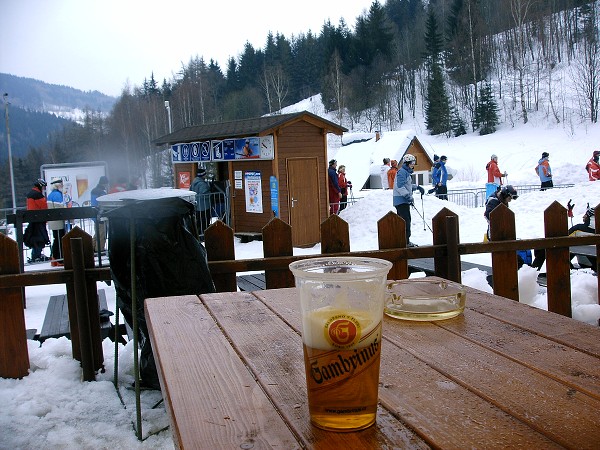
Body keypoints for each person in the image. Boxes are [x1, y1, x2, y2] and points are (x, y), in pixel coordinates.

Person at [393, 154, 425, 247]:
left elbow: (408, 185)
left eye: (414, 162)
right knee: (405, 221)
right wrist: (408, 196)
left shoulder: (406, 172)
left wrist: (417, 187)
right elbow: (400, 186)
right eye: (412, 162)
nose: (413, 164)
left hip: (404, 201)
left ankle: (405, 241)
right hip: (401, 201)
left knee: (406, 220)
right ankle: (405, 242)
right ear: (407, 163)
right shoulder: (402, 172)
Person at [24, 178, 50, 262]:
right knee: (39, 238)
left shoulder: (30, 194)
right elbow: (44, 207)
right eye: (43, 187)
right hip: (39, 219)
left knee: (34, 238)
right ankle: (37, 255)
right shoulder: (38, 195)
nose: (44, 189)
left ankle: (35, 255)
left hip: (32, 219)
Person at [46, 177, 66, 266]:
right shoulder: (58, 195)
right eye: (61, 184)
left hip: (53, 221)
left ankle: (54, 259)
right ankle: (59, 259)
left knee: (56, 239)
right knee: (59, 240)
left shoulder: (51, 194)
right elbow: (60, 208)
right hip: (58, 221)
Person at [190, 167, 212, 237]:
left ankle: (199, 234)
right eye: (205, 174)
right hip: (204, 206)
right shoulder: (202, 184)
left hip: (197, 206)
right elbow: (204, 195)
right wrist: (210, 193)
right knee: (205, 221)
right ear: (203, 175)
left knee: (199, 221)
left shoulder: (194, 182)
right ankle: (205, 235)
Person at [91, 176, 109, 252]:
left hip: (94, 215)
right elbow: (103, 204)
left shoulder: (94, 190)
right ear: (105, 183)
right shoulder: (101, 192)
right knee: (102, 233)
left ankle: (92, 247)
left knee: (97, 233)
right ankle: (99, 249)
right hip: (101, 215)